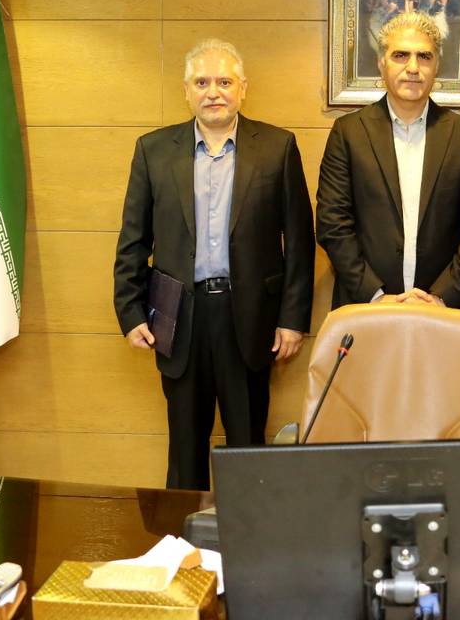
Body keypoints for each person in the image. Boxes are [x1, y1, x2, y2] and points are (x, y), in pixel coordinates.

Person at [113, 38, 314, 490]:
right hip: (178, 318)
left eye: (224, 81)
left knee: (246, 450)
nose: (214, 92)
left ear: (243, 88)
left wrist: (292, 320)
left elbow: (300, 242)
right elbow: (133, 241)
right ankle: (184, 536)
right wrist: (130, 312)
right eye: (202, 83)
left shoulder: (277, 147)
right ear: (186, 91)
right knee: (185, 452)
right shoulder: (153, 150)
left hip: (249, 317)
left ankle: (251, 530)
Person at [317, 11, 460, 310]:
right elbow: (332, 224)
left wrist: (440, 296)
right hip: (366, 307)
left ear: (436, 66)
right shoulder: (348, 133)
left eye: (424, 57)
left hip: (444, 309)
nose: (413, 68)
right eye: (400, 55)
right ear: (381, 63)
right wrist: (375, 295)